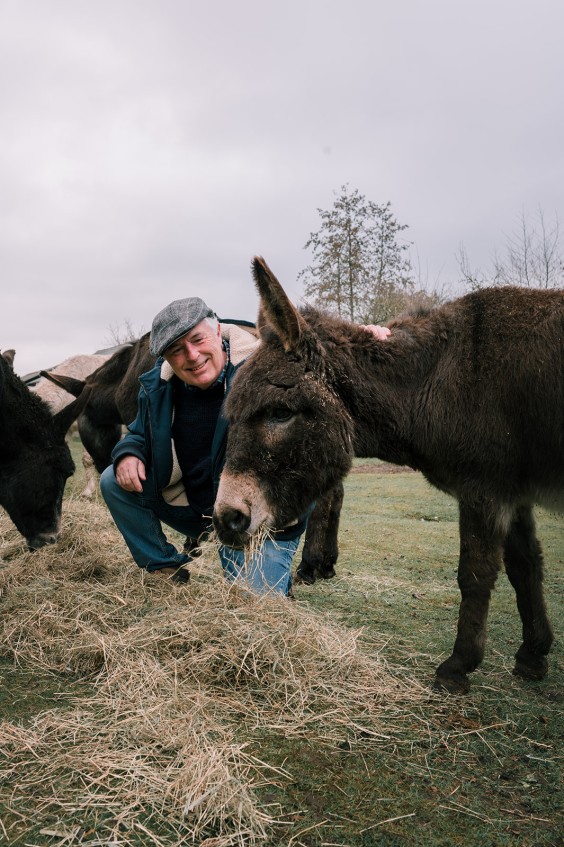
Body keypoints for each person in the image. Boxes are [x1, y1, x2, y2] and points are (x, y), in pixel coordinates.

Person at [100, 297, 391, 596]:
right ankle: (163, 566)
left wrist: (360, 345)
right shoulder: (157, 387)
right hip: (199, 509)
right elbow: (138, 431)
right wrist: (129, 453)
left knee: (253, 603)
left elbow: (323, 357)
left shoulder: (266, 368)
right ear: (166, 359)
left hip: (261, 516)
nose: (192, 355)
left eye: (197, 339)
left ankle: (269, 569)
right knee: (112, 480)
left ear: (216, 332)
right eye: (176, 350)